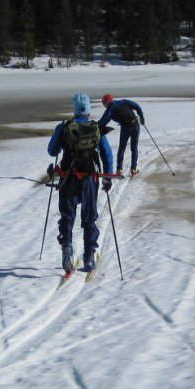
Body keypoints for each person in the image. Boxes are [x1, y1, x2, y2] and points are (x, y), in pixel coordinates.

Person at [48, 93, 114, 275]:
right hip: (89, 180)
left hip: (68, 177)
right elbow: (107, 154)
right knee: (89, 218)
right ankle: (89, 256)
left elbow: (51, 150)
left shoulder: (65, 128)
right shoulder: (96, 129)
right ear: (88, 111)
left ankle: (67, 250)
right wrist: (107, 177)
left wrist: (60, 135)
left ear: (75, 109)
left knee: (67, 216)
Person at [98, 93, 145, 176]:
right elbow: (137, 106)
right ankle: (133, 170)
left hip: (126, 128)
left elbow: (103, 122)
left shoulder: (110, 109)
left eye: (103, 103)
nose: (104, 105)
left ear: (106, 102)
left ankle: (119, 170)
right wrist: (141, 117)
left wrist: (96, 125)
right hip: (135, 126)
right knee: (134, 148)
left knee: (122, 148)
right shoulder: (124, 101)